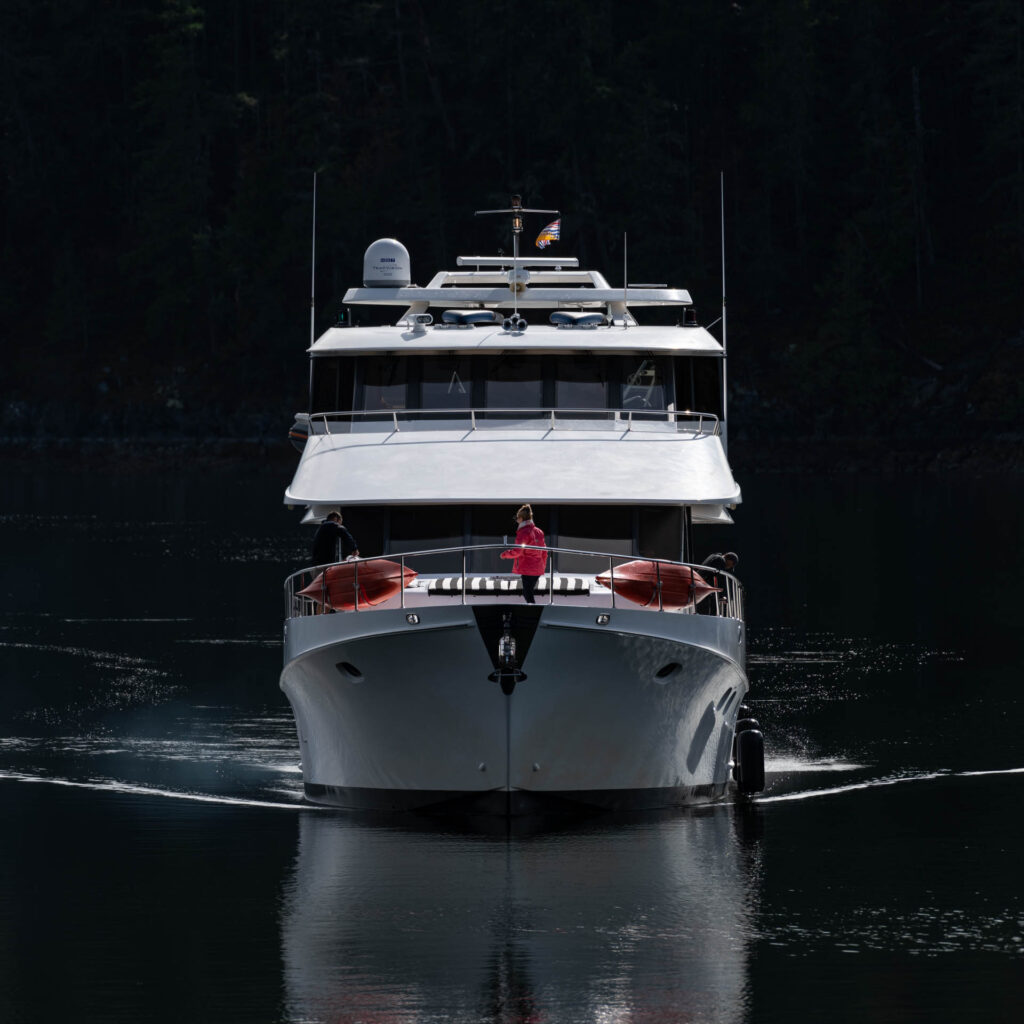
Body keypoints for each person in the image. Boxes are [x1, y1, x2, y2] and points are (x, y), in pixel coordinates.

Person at [500, 504, 548, 604]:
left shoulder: (523, 532)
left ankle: (533, 614)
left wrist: (504, 555)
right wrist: (542, 566)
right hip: (538, 568)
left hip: (527, 568)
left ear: (521, 518)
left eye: (517, 518)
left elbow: (518, 551)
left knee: (527, 593)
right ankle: (533, 612)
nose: (516, 520)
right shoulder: (539, 531)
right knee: (529, 592)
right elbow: (544, 551)